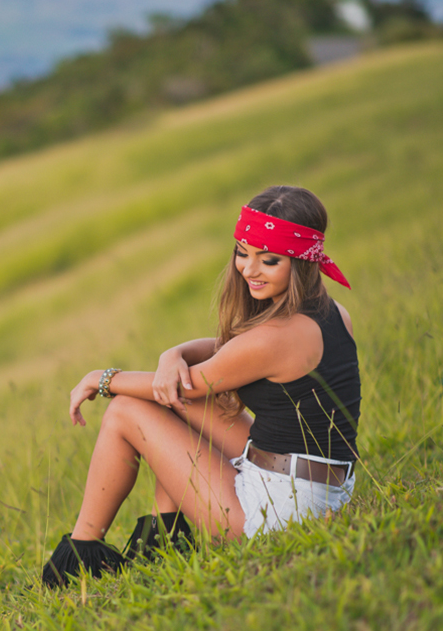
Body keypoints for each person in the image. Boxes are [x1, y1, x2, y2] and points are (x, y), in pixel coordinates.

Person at [42, 185, 360, 588]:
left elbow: (189, 386)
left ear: (301, 262)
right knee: (167, 405)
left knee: (126, 410)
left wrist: (102, 380)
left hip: (276, 512)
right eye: (242, 254)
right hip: (318, 487)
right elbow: (230, 351)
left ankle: (80, 557)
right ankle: (164, 539)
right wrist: (171, 354)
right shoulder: (330, 313)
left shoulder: (276, 337)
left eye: (270, 260)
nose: (249, 270)